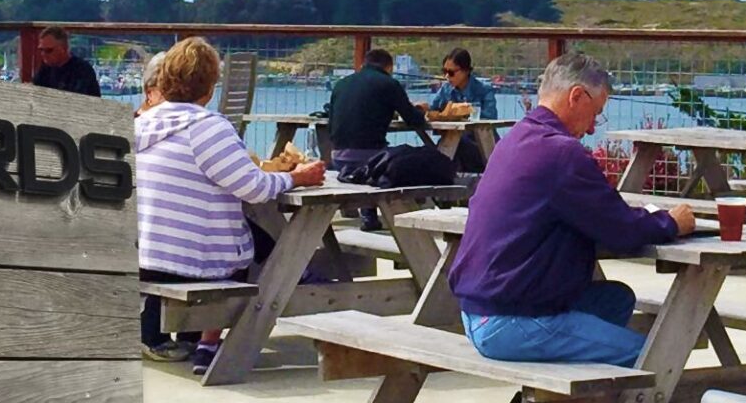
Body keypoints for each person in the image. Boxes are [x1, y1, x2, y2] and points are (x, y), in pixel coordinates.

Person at [448, 51, 696, 403]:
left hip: (481, 309)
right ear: (577, 96)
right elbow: (619, 228)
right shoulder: (561, 153)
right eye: (596, 112)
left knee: (615, 299)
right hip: (511, 318)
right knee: (651, 361)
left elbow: (597, 215)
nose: (595, 126)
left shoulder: (517, 139)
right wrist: (671, 223)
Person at [135, 38, 324, 370]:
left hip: (146, 256)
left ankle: (201, 338)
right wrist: (297, 178)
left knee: (244, 233)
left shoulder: (141, 125)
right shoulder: (207, 128)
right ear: (209, 88)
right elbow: (254, 188)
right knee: (249, 246)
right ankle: (209, 344)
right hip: (192, 265)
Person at [327, 47, 452, 190]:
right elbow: (414, 120)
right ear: (389, 67)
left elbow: (331, 127)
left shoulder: (341, 84)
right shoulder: (389, 83)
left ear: (363, 64)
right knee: (428, 156)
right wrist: (420, 109)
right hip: (370, 160)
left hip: (337, 159)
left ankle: (368, 212)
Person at [428, 47, 499, 171]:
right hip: (452, 141)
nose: (446, 76)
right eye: (444, 71)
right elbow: (433, 110)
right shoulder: (446, 90)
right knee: (436, 151)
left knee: (452, 148)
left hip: (481, 145)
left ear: (465, 71)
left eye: (451, 72)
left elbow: (490, 118)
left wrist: (462, 114)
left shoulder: (484, 90)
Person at [28, 27, 102, 95]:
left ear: (63, 49)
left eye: (48, 50)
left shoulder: (81, 70)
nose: (43, 54)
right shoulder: (45, 68)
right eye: (41, 50)